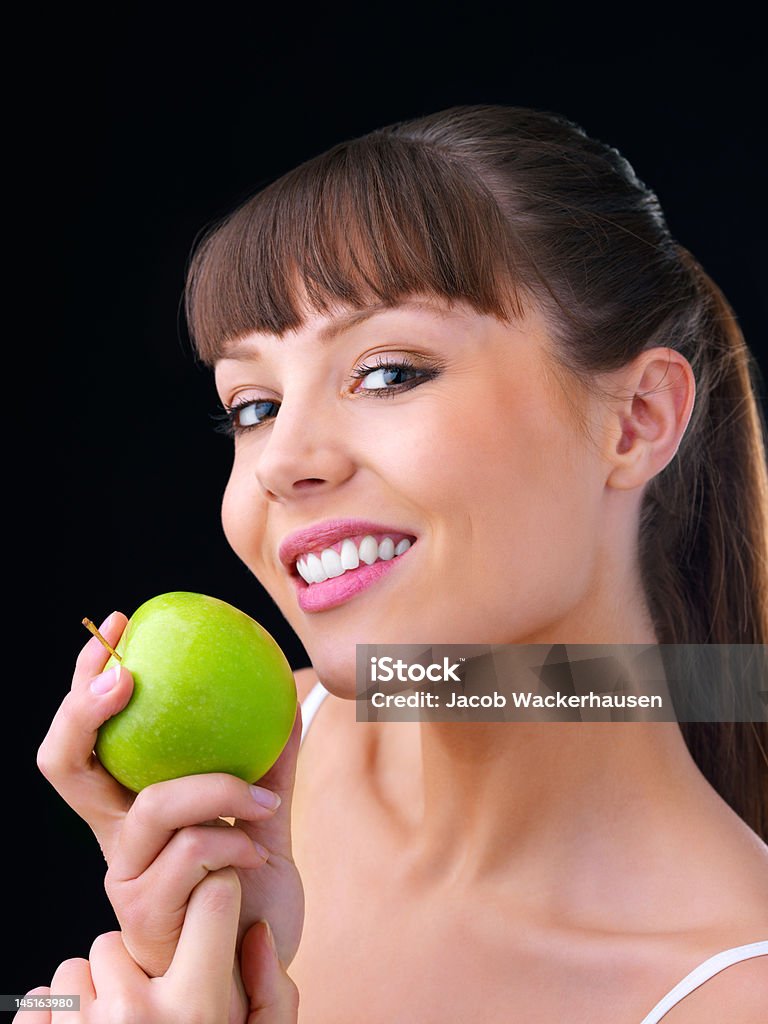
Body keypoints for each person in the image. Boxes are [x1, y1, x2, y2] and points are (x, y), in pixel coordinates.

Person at [28, 104, 768, 1022]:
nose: (284, 459)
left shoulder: (734, 993)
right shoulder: (239, 797)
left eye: (388, 374)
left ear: (637, 420)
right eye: (252, 405)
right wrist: (176, 955)